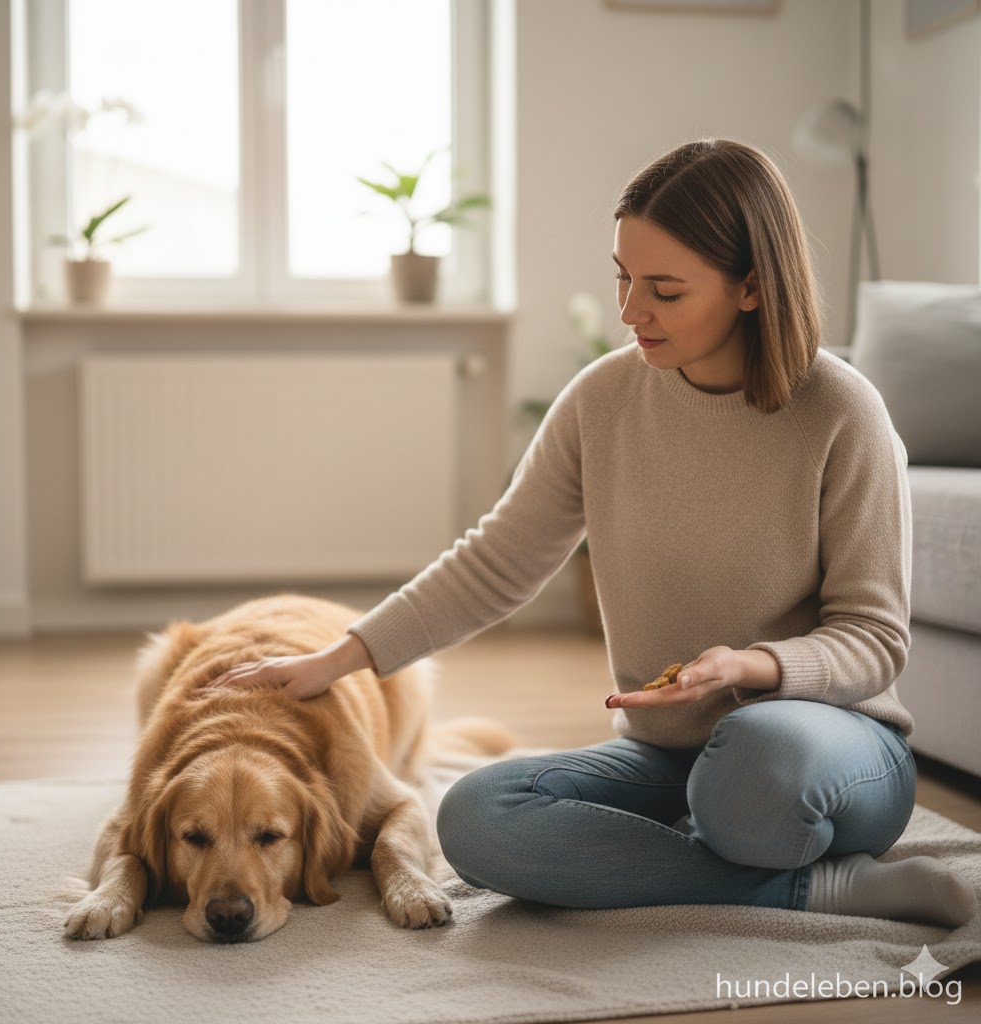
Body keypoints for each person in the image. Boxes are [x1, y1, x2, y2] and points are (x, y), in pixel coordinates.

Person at [206, 138, 975, 928]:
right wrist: (342, 658)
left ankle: (699, 848)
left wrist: (752, 665)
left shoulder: (844, 414)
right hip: (669, 756)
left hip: (830, 755)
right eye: (624, 278)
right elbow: (497, 561)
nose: (629, 312)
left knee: (749, 771)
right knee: (477, 816)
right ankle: (814, 888)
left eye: (665, 291)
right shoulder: (603, 400)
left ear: (751, 286)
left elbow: (875, 637)